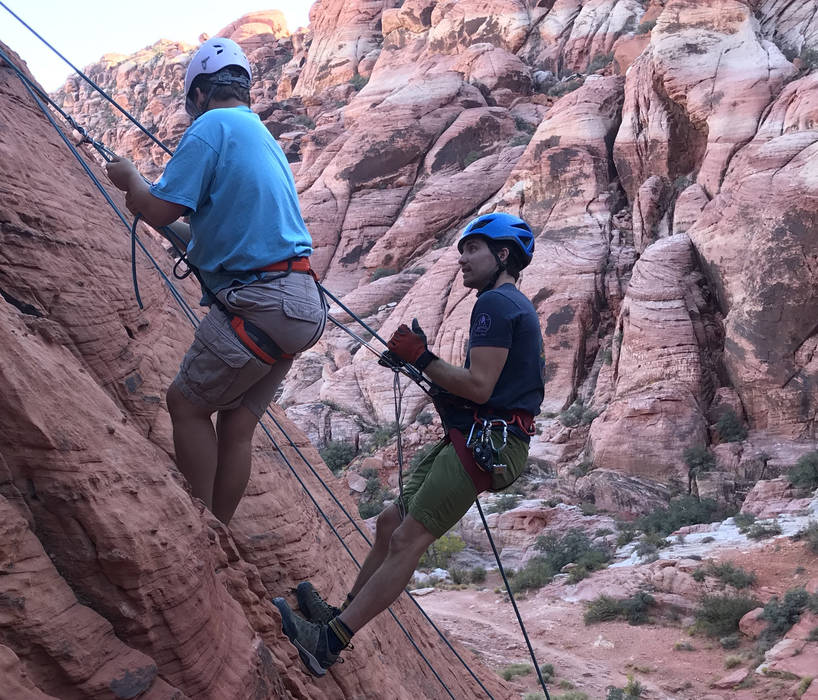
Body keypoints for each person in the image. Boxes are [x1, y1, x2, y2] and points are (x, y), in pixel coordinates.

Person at [272, 212, 544, 677]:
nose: (461, 259)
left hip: (489, 442)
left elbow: (479, 386)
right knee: (389, 522)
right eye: (461, 250)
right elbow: (484, 392)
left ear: (502, 255)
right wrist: (420, 366)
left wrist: (422, 357)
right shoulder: (505, 304)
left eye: (472, 249)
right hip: (479, 436)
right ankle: (339, 615)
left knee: (407, 539)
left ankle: (329, 642)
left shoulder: (497, 306)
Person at [104, 37, 327, 525]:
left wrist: (131, 182)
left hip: (262, 303)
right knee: (237, 426)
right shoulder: (258, 133)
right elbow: (202, 231)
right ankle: (221, 534)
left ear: (200, 93)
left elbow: (161, 206)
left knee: (184, 405)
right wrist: (151, 205)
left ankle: (203, 528)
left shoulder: (210, 127)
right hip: (300, 304)